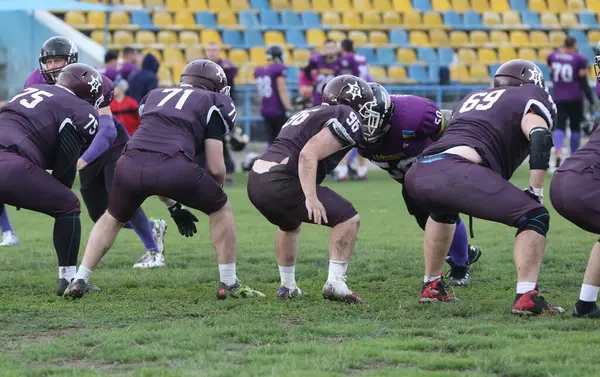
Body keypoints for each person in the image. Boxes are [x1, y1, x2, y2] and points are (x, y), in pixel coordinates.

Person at [63, 59, 264, 300]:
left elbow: (152, 163)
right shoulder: (214, 101)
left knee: (111, 217)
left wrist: (175, 207)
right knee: (220, 208)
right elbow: (216, 167)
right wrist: (212, 190)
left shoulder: (154, 96)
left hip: (129, 161)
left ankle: (81, 278)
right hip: (174, 164)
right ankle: (229, 283)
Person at [404, 59, 563, 315]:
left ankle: (431, 286)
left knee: (443, 211)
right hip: (456, 168)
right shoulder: (530, 96)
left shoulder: (473, 97)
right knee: (535, 215)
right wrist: (536, 190)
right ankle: (526, 296)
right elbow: (540, 136)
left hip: (419, 170)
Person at [247, 75, 381, 303]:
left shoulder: (308, 113)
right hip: (283, 180)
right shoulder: (345, 114)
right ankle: (336, 282)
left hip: (256, 180)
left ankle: (287, 286)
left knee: (288, 225)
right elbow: (308, 153)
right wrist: (310, 196)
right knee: (348, 218)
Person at [357, 84, 482, 286]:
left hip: (433, 166)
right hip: (408, 179)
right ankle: (463, 251)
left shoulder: (414, 114)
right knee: (424, 219)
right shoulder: (350, 129)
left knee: (442, 212)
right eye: (362, 122)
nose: (366, 130)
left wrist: (456, 161)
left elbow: (450, 126)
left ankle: (460, 269)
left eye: (371, 122)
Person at [0, 63, 104, 295]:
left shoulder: (28, 91)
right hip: (10, 161)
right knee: (68, 203)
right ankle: (68, 279)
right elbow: (66, 163)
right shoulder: (80, 108)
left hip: (9, 155)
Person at [78, 75, 167, 269]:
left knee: (122, 197)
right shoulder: (58, 95)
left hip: (113, 146)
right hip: (88, 151)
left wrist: (82, 160)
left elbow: (107, 131)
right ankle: (152, 227)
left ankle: (154, 252)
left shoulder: (89, 87)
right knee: (99, 214)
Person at [3, 36, 81, 248]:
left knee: (106, 206)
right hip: (42, 144)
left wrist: (88, 157)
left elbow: (106, 127)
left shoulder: (85, 79)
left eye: (58, 60)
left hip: (95, 145)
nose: (53, 66)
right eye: (49, 61)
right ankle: (8, 231)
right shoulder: (34, 81)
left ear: (72, 60)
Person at [550, 42, 600, 318]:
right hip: (584, 183)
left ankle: (585, 304)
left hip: (563, 180)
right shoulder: (577, 61)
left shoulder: (555, 58)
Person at [547, 36, 596, 169]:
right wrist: (590, 99)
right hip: (575, 97)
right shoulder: (579, 59)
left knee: (559, 126)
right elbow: (583, 81)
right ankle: (572, 157)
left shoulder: (553, 56)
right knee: (575, 127)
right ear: (573, 45)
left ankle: (557, 152)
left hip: (558, 97)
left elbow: (551, 73)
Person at [254, 45, 293, 147]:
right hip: (277, 109)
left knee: (270, 140)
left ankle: (268, 160)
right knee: (283, 140)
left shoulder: (260, 70)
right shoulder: (278, 68)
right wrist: (289, 107)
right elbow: (282, 89)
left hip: (265, 109)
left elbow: (261, 94)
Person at [303, 40, 341, 106]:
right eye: (328, 48)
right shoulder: (317, 60)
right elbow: (306, 70)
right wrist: (313, 80)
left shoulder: (341, 62)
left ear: (336, 49)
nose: (330, 50)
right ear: (324, 49)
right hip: (319, 97)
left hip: (334, 98)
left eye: (332, 48)